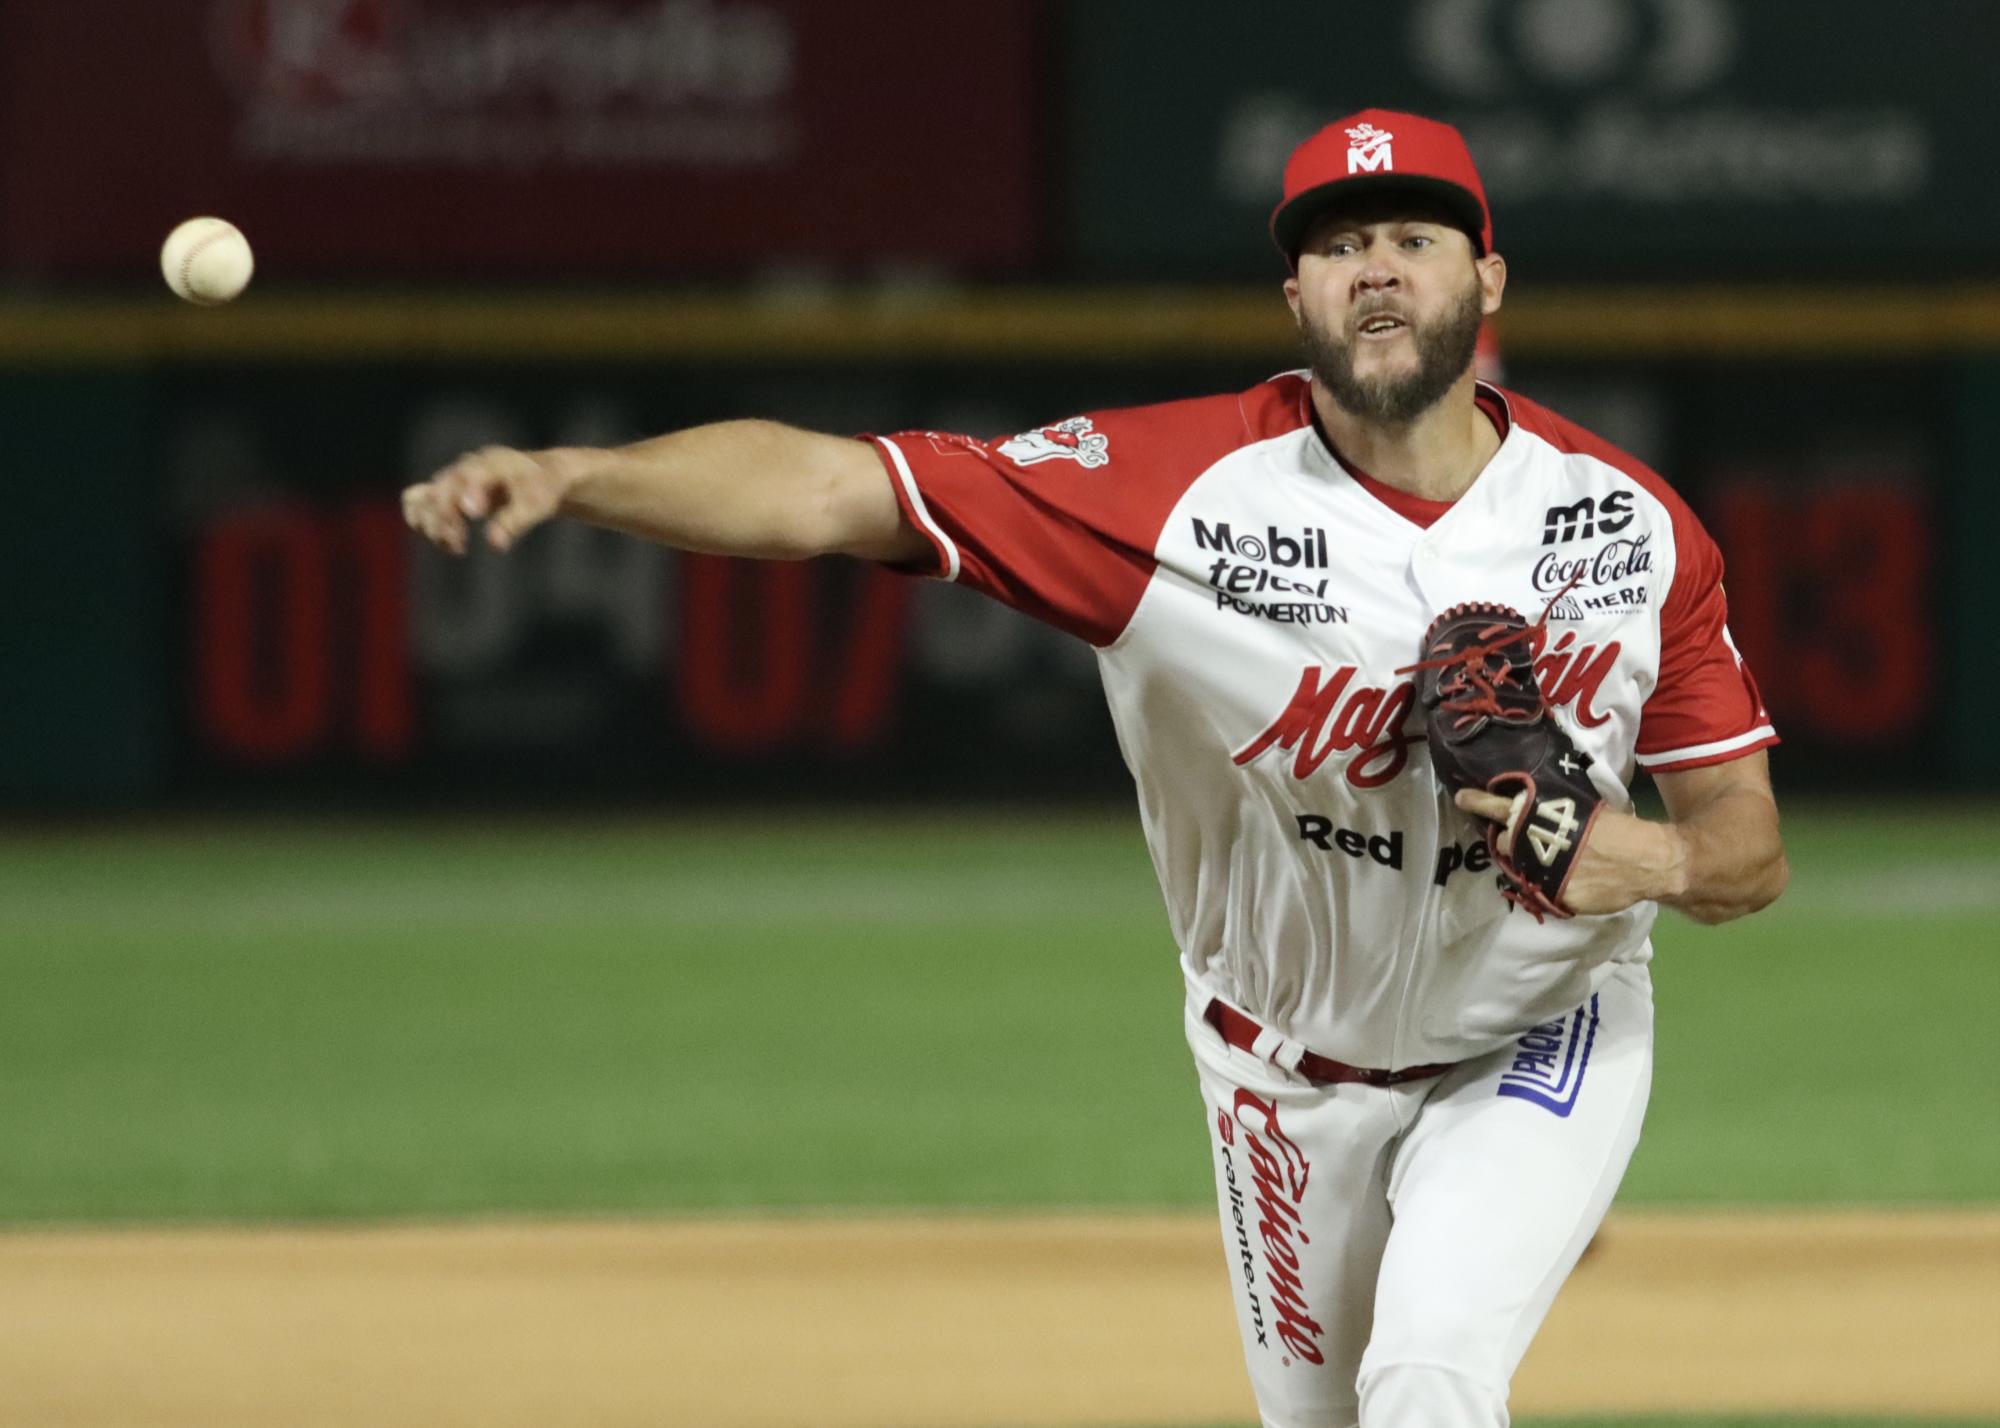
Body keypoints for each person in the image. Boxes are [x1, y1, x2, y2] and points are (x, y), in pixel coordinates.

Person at [402, 108, 1787, 1428]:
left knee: (1428, 1377)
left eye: (1414, 238)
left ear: (1485, 278)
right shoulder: (1162, 494)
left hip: (1542, 1029)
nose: (1376, 269)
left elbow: (1746, 853)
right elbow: (832, 489)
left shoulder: (1628, 526)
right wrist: (578, 477)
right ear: (1292, 295)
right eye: (1338, 244)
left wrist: (1644, 858)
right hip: (1281, 1069)